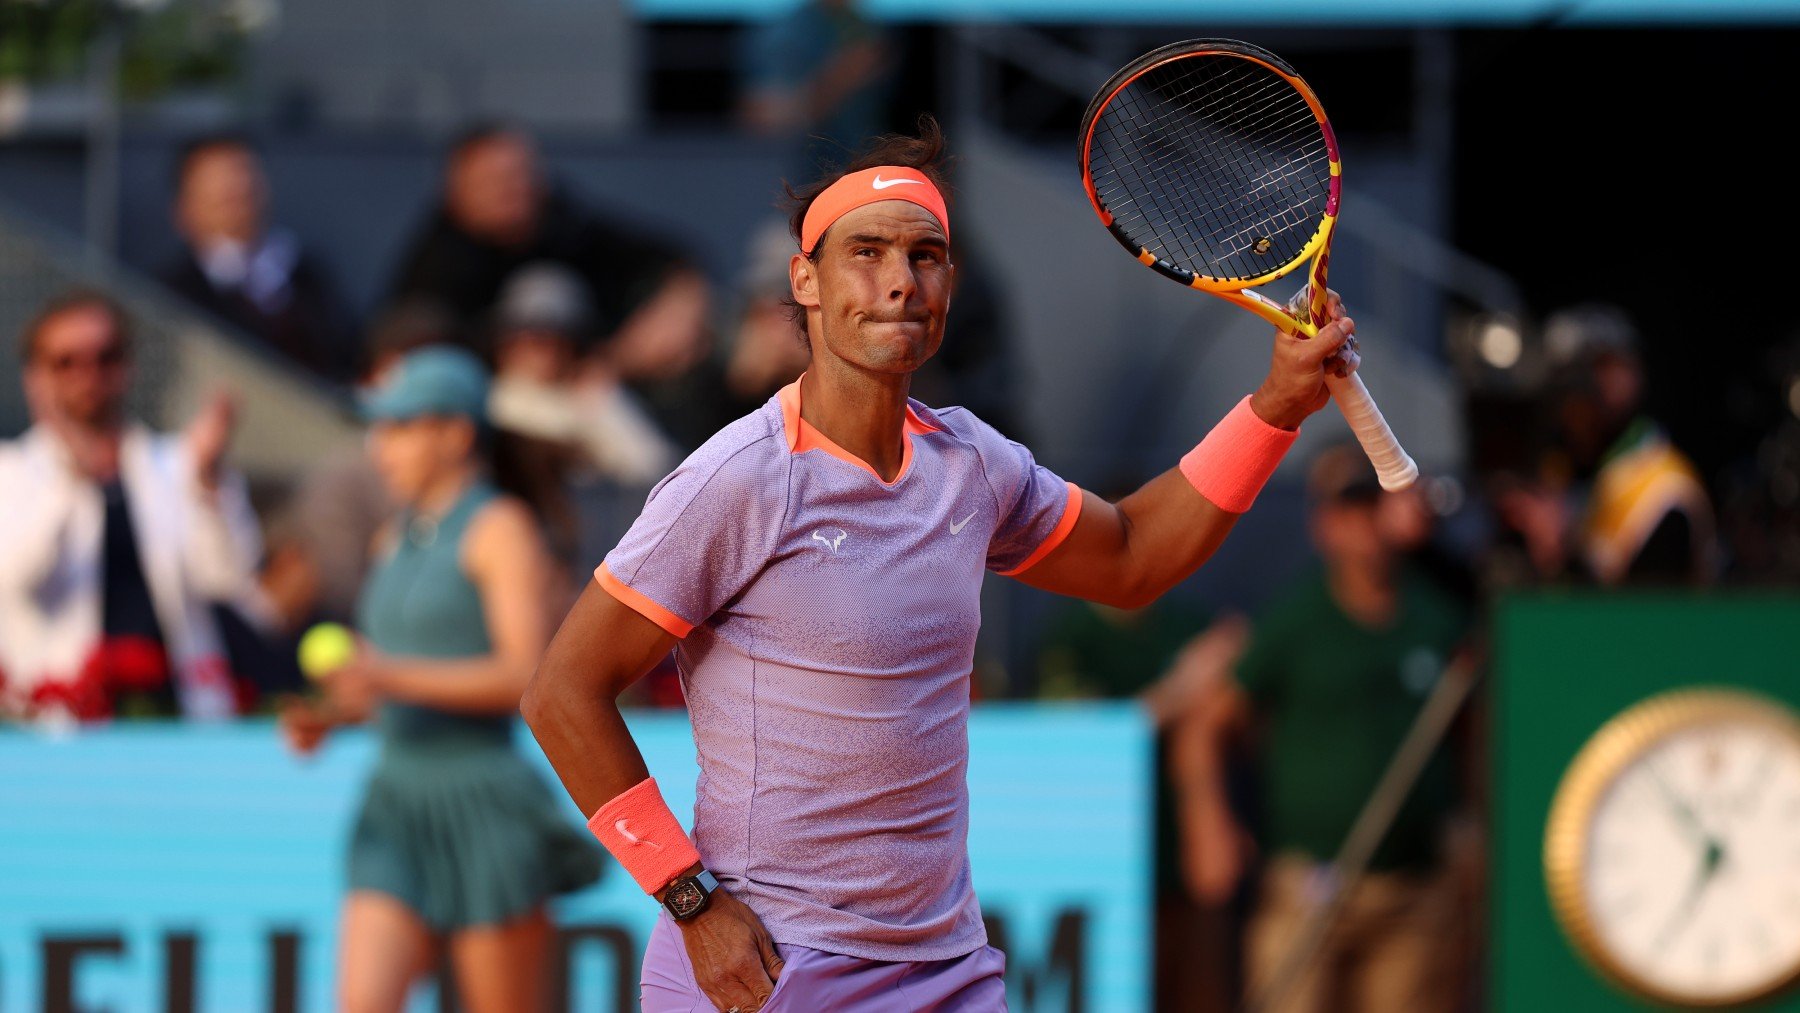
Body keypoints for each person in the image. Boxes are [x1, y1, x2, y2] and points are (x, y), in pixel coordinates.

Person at [521, 118, 1360, 1012]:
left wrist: (1275, 405)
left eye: (925, 256)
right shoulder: (737, 480)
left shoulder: (973, 465)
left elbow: (1133, 557)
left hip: (945, 972)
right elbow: (563, 692)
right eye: (867, 253)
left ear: (949, 286)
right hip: (768, 966)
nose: (898, 281)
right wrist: (690, 902)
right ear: (804, 282)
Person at [278, 347, 601, 1012]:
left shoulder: (499, 527)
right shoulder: (393, 535)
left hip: (483, 804)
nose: (380, 448)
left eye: (399, 427)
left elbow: (523, 676)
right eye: (380, 429)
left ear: (455, 434)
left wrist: (387, 674)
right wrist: (335, 714)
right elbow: (391, 684)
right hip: (394, 800)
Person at [1170, 445, 1472, 1013]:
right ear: (1324, 525)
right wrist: (1207, 822)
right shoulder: (1295, 621)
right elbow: (1206, 725)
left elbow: (1477, 738)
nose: (1364, 527)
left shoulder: (1439, 617)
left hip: (1414, 891)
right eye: (1348, 511)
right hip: (1309, 886)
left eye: (1375, 508)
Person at [0, 291, 259, 722]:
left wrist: (209, 483)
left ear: (128, 368)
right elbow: (17, 579)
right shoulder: (10, 472)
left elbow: (228, 580)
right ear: (35, 377)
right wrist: (69, 476)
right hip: (55, 722)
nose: (89, 376)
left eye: (107, 357)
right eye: (66, 363)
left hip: (177, 716)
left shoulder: (178, 465)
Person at [386, 124, 709, 358]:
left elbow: (671, 257)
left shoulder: (567, 224)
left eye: (523, 174)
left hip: (603, 390)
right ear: (456, 193)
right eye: (495, 181)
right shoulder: (436, 274)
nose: (515, 189)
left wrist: (675, 305)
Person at [1494, 304, 1715, 585]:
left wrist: (1559, 550)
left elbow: (1644, 621)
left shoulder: (1663, 491)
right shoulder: (1563, 471)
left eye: (1573, 387)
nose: (1564, 408)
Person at [160, 135, 359, 384]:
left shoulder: (306, 275)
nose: (237, 186)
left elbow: (346, 351)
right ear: (184, 209)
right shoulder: (170, 296)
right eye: (220, 187)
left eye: (243, 174)